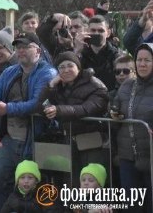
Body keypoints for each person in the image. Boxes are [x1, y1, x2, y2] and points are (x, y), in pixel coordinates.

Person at [0, 32, 56, 207]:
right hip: (10, 138)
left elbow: (37, 104)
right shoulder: (10, 71)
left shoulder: (48, 73)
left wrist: (8, 108)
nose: (20, 50)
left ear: (38, 51)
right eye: (18, 47)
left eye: (25, 46)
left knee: (35, 187)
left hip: (36, 139)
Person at [37, 51, 109, 169]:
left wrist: (59, 110)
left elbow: (87, 108)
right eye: (62, 67)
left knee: (92, 177)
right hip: (68, 141)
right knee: (71, 177)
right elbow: (40, 107)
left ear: (78, 68)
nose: (66, 70)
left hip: (91, 141)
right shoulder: (58, 86)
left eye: (70, 65)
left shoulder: (95, 84)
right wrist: (50, 86)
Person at [113, 42, 153, 213]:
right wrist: (114, 113)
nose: (142, 64)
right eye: (139, 60)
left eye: (147, 60)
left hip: (150, 155)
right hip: (128, 154)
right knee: (131, 205)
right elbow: (115, 106)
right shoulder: (127, 85)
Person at [80, 16, 123, 92]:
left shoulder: (117, 56)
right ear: (87, 31)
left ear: (108, 33)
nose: (97, 33)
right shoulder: (81, 54)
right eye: (93, 30)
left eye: (101, 30)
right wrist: (77, 50)